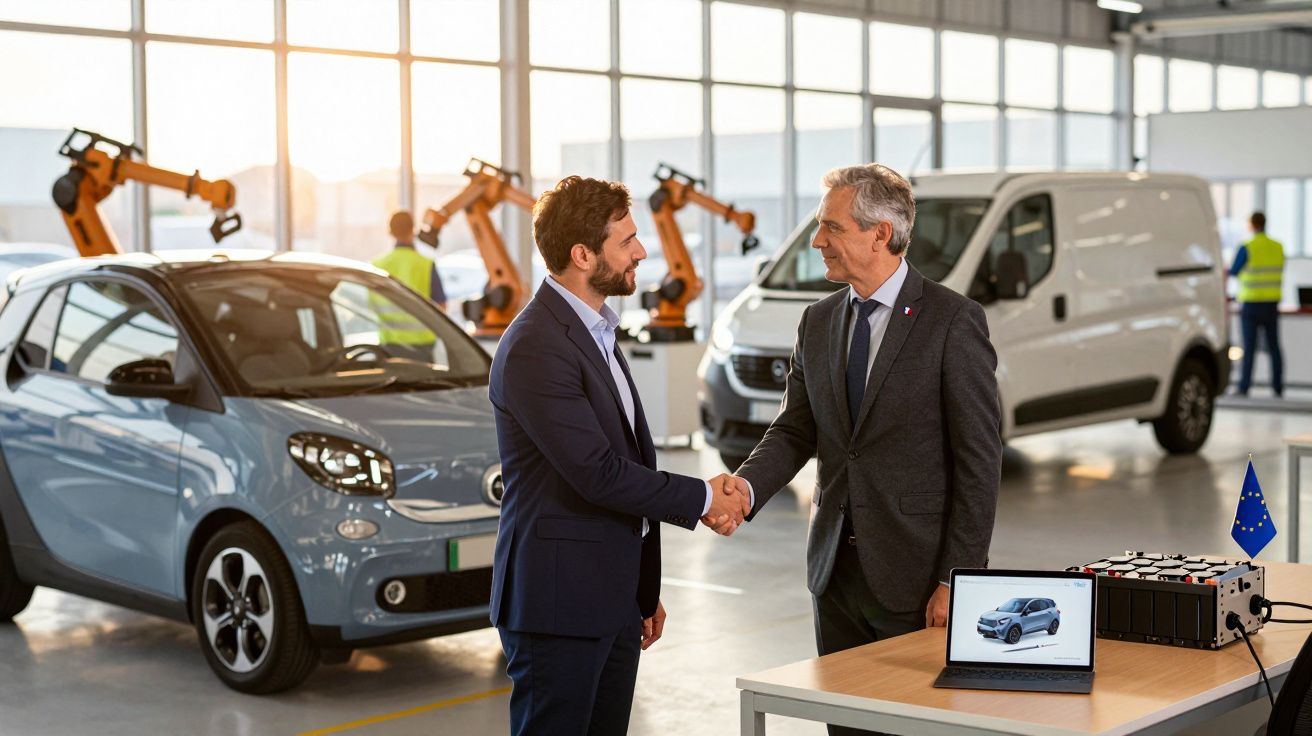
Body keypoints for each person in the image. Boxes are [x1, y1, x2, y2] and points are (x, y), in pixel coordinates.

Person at [713, 164, 1002, 736]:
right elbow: (795, 429)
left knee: (913, 728)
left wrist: (956, 578)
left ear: (881, 233)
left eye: (831, 227)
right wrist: (743, 490)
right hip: (834, 576)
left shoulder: (953, 322)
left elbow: (979, 461)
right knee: (844, 725)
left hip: (916, 579)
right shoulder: (816, 322)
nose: (817, 241)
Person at [488, 175, 751, 736]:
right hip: (558, 607)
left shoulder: (598, 332)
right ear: (583, 255)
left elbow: (631, 459)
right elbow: (598, 474)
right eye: (627, 240)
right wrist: (705, 496)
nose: (642, 250)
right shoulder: (537, 344)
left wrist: (641, 592)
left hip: (608, 599)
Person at [371, 211, 448, 361]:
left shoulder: (377, 265)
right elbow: (441, 308)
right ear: (413, 229)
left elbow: (369, 305)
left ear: (390, 232)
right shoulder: (426, 265)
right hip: (422, 348)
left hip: (389, 345)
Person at [1231, 211, 1285, 397]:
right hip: (1271, 304)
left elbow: (1234, 271)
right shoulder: (1277, 246)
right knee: (1274, 347)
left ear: (1252, 225)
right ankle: (1278, 387)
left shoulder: (1247, 246)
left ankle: (1244, 387)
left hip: (1251, 303)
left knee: (1249, 347)